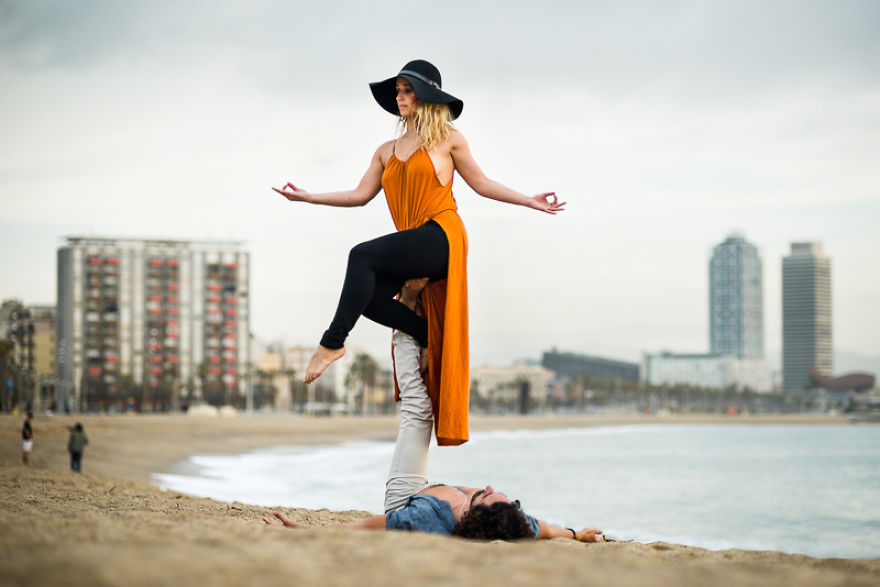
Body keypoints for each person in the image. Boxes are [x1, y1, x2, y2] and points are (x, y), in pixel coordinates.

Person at [274, 59, 565, 446]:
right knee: (368, 297)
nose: (400, 97)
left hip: (442, 234)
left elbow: (482, 184)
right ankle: (426, 334)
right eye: (398, 91)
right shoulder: (385, 151)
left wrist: (529, 200)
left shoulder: (449, 140)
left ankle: (332, 343)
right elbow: (360, 195)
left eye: (408, 90)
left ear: (426, 96)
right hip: (413, 240)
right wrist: (310, 197)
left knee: (361, 256)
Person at [265, 322, 601, 542]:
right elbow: (545, 530)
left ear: (474, 514)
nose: (488, 487)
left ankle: (403, 328)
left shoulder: (424, 518)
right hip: (433, 489)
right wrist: (576, 534)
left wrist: (306, 533)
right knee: (432, 401)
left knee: (418, 410)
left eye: (486, 496)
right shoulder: (509, 518)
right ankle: (423, 337)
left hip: (407, 496)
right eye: (501, 495)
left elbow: (364, 527)